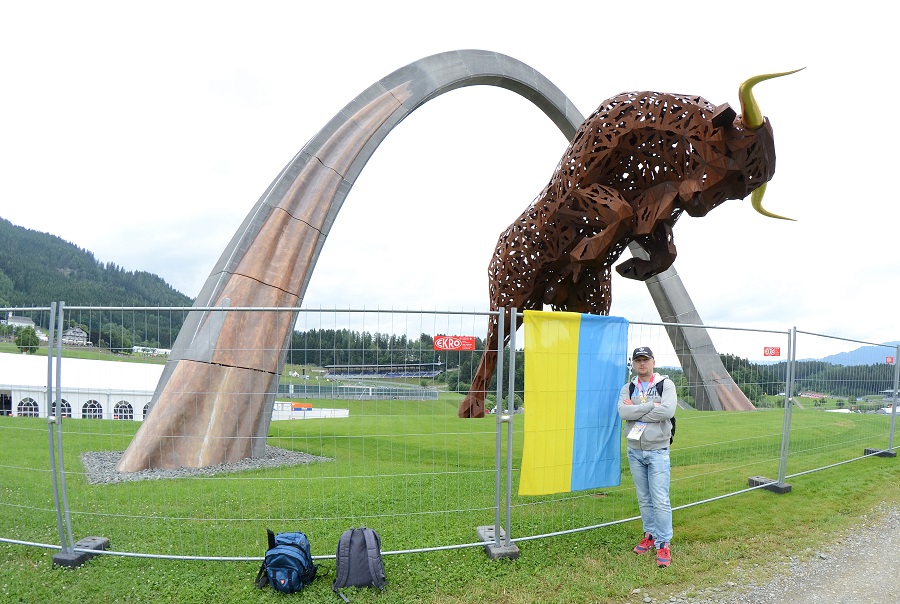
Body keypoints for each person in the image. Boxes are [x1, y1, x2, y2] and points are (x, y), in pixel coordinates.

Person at [618, 346, 676, 568]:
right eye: (638, 360)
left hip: (657, 450)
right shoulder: (629, 387)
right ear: (633, 364)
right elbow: (623, 412)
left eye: (645, 360)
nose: (642, 364)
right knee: (644, 497)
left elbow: (668, 411)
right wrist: (651, 405)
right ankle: (650, 535)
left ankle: (663, 543)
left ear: (653, 361)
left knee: (660, 499)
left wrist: (637, 410)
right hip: (635, 450)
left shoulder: (665, 384)